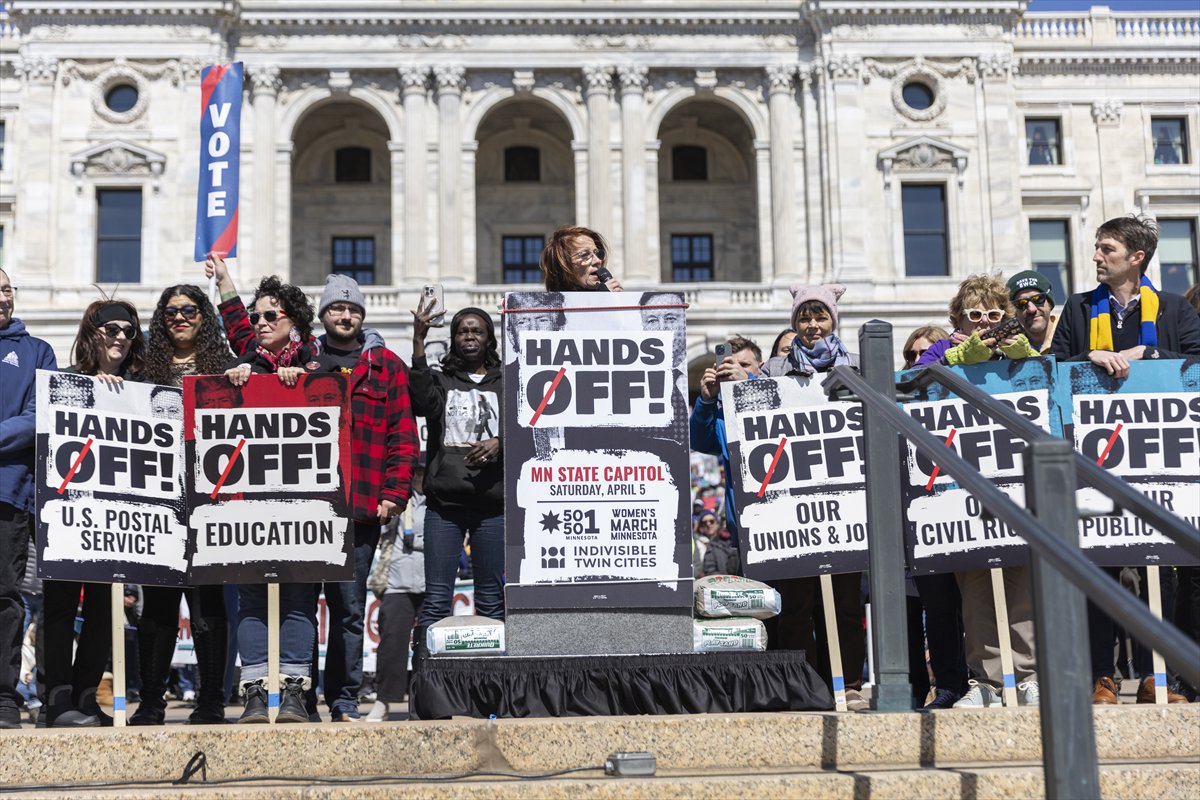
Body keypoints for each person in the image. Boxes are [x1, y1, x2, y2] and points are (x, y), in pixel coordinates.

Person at [1048, 215, 1200, 704]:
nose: (1096, 256)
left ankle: (1161, 675)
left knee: (1162, 568)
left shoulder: (1175, 309)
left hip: (1158, 457)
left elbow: (1196, 362)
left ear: (1137, 258)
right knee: (1099, 564)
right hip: (1095, 461)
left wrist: (1148, 355)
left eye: (1106, 248)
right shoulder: (1077, 309)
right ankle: (1102, 675)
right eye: (1097, 247)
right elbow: (1051, 369)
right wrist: (1088, 357)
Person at [915, 275, 1039, 709]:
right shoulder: (940, 349)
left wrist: (1024, 354)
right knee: (976, 590)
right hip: (960, 488)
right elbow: (912, 381)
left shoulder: (1018, 347)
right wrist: (957, 357)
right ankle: (987, 680)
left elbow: (1043, 383)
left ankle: (1027, 677)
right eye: (975, 315)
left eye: (994, 314)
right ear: (959, 319)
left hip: (1013, 484)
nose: (985, 322)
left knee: (1020, 586)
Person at [306, 274, 418, 722]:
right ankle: (300, 698)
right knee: (300, 608)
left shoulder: (386, 365)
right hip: (305, 506)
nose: (345, 315)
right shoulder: (302, 359)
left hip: (360, 505)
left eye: (353, 309)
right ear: (323, 314)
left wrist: (395, 492)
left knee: (348, 609)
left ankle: (343, 698)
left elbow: (403, 435)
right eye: (337, 307)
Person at [217, 274, 321, 723]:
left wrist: (305, 382)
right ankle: (256, 692)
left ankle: (295, 691)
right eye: (256, 316)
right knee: (252, 599)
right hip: (250, 505)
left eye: (270, 315)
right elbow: (232, 320)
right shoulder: (246, 363)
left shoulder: (319, 359)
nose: (260, 322)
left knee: (299, 597)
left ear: (293, 320)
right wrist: (234, 382)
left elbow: (337, 399)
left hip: (305, 504)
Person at [761, 284, 868, 711]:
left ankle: (849, 683)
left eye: (820, 316)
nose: (812, 325)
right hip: (792, 499)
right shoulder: (773, 369)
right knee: (796, 604)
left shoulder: (857, 365)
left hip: (845, 496)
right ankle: (802, 684)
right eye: (804, 317)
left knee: (845, 601)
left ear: (833, 320)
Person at [130, 285, 232, 725]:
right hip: (160, 504)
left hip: (210, 502)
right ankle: (151, 701)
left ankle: (211, 700)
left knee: (207, 605)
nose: (180, 318)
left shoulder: (226, 368)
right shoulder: (142, 373)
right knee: (157, 607)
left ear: (204, 316)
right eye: (171, 312)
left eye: (189, 310)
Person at [40, 299, 144, 727]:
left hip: (115, 519)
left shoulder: (141, 390)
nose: (120, 337)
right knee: (61, 605)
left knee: (104, 608)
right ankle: (56, 699)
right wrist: (91, 391)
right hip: (69, 513)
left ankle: (86, 696)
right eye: (112, 329)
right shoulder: (65, 380)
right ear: (93, 332)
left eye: (129, 331)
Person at [409, 302, 504, 662]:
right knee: (436, 599)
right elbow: (422, 403)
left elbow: (528, 429)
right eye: (462, 331)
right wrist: (419, 341)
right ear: (453, 339)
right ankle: (425, 680)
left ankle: (494, 682)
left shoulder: (506, 382)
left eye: (476, 330)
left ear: (489, 338)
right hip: (445, 508)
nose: (469, 336)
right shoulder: (441, 380)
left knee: (491, 601)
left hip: (492, 507)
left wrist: (501, 443)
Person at [0, 268, 58, 729]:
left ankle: (4, 698)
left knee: (5, 597)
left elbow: (39, 414)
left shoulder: (38, 351)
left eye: (6, 289)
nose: (3, 298)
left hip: (9, 494)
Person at [367, 465, 427, 722]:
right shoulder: (396, 497)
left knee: (429, 646)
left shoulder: (439, 500)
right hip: (396, 581)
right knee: (391, 644)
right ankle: (384, 700)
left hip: (431, 582)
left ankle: (427, 701)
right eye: (416, 473)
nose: (418, 477)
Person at [690, 335, 762, 548]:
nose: (735, 369)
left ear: (760, 368)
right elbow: (701, 443)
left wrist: (748, 386)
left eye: (744, 365)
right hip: (742, 532)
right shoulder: (722, 416)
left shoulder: (776, 396)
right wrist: (706, 401)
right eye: (730, 365)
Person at [539, 225, 624, 292]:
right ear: (561, 266)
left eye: (598, 254)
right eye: (584, 255)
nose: (598, 261)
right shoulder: (552, 307)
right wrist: (601, 298)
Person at [1005, 271, 1059, 354]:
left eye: (1038, 299)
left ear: (1049, 303)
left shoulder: (1072, 334)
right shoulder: (1008, 348)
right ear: (1014, 312)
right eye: (1021, 303)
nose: (1031, 309)